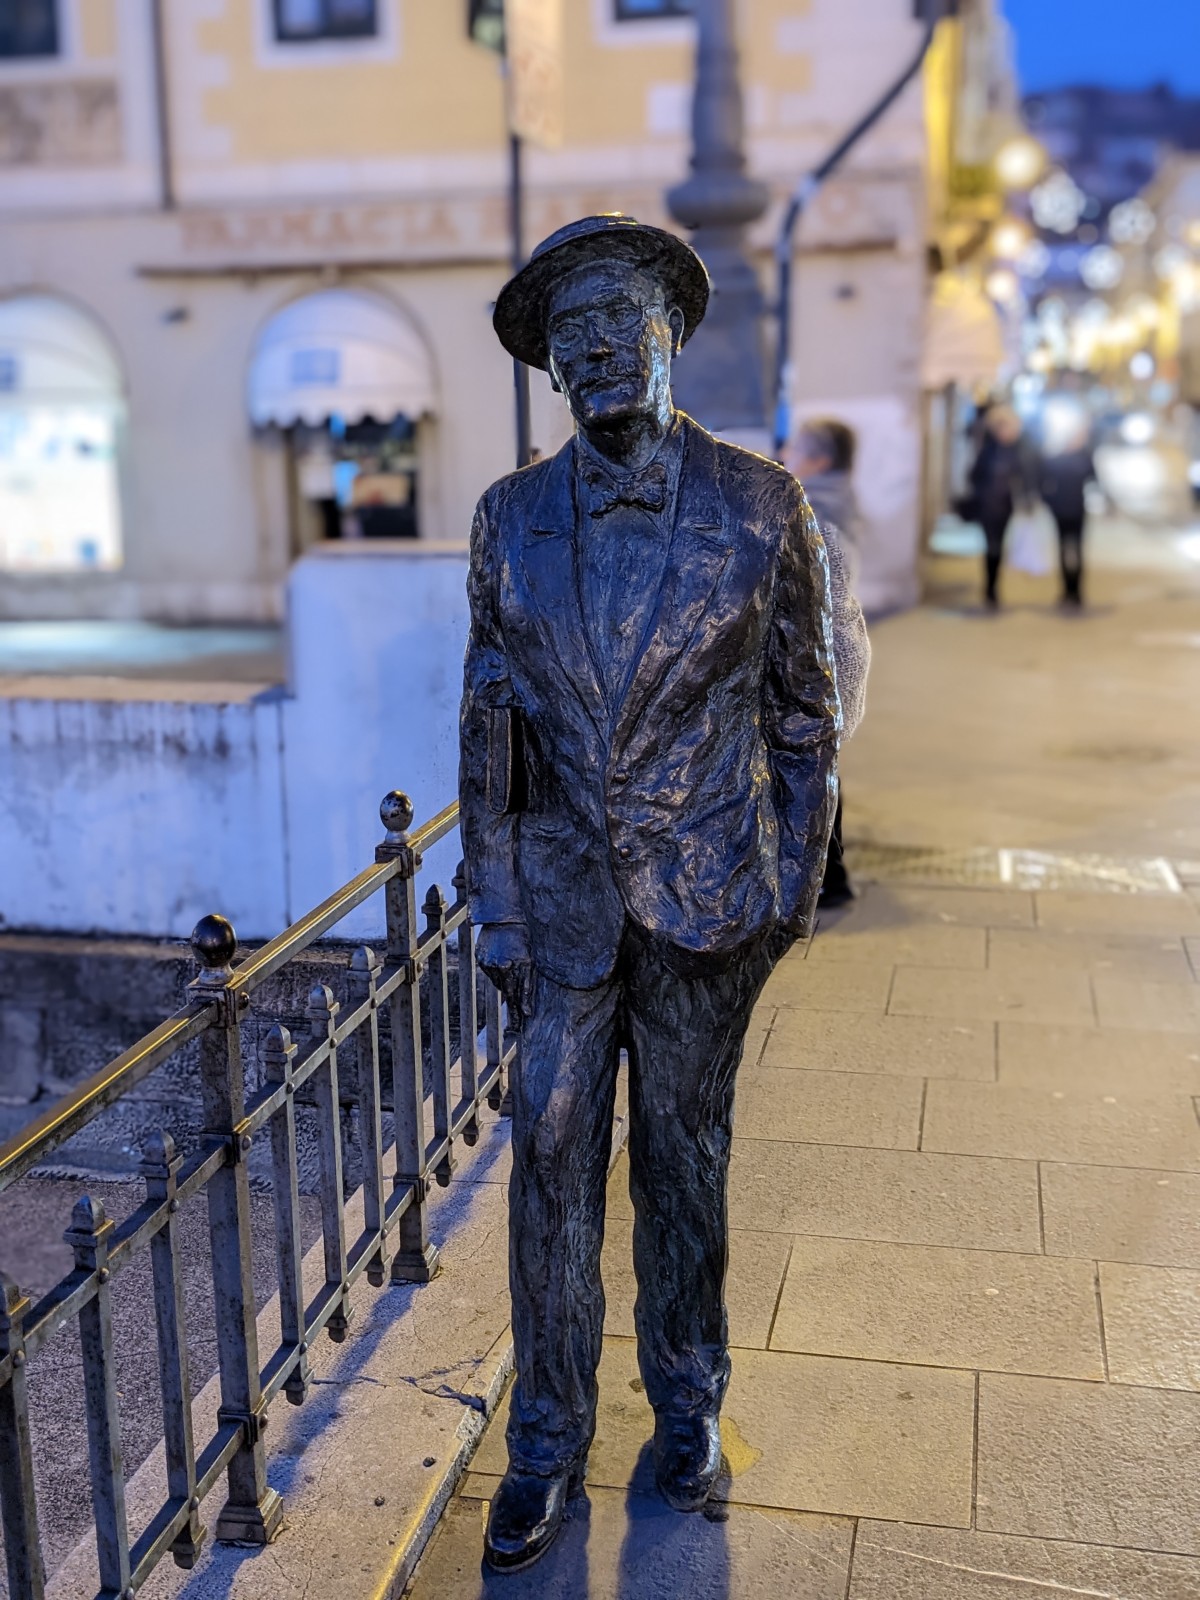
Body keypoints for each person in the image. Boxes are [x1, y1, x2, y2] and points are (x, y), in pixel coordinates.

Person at [460, 214, 840, 1571]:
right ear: (551, 368)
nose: (599, 346)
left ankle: (689, 1405)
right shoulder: (507, 517)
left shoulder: (761, 504)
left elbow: (805, 717)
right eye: (572, 332)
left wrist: (784, 897)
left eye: (621, 318)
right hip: (560, 918)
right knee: (550, 1163)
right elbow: (489, 729)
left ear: (673, 332)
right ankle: (546, 1442)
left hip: (705, 906)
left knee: (686, 1171)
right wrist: (495, 901)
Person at [788, 419, 871, 908]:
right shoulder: (833, 496)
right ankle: (828, 874)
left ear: (818, 460)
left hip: (823, 656)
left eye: (795, 447)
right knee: (820, 765)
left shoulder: (816, 509)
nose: (785, 452)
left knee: (813, 768)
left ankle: (829, 876)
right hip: (835, 651)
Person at [966, 404, 1033, 610]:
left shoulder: (1018, 450)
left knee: (999, 547)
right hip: (988, 506)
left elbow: (1026, 475)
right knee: (991, 546)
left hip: (1006, 506)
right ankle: (990, 589)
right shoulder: (987, 450)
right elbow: (973, 475)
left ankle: (994, 587)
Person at [1037, 417, 1095, 607]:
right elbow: (1042, 485)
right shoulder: (1071, 459)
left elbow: (1093, 481)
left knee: (1070, 550)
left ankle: (1073, 591)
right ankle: (1071, 591)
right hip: (1068, 510)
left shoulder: (1067, 458)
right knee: (1069, 549)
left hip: (1070, 509)